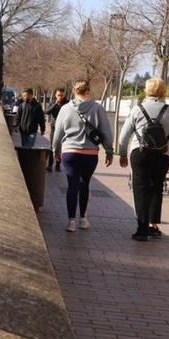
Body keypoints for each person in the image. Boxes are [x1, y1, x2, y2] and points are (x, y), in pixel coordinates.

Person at [118, 77, 169, 241]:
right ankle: (153, 225)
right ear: (163, 91)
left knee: (140, 189)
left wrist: (122, 154)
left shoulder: (137, 109)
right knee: (156, 188)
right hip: (162, 155)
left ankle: (141, 228)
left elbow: (124, 135)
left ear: (147, 90)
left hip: (140, 153)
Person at [52, 81, 114, 232]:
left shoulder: (66, 108)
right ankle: (83, 219)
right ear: (88, 91)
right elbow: (106, 130)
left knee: (72, 185)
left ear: (74, 91)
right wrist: (109, 150)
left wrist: (56, 150)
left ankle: (71, 221)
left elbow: (58, 132)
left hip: (70, 152)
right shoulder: (97, 108)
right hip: (90, 153)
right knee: (85, 184)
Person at [44, 88, 68, 172]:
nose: (60, 97)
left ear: (64, 95)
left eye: (62, 95)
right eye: (58, 95)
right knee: (52, 146)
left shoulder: (67, 103)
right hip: (54, 127)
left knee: (61, 147)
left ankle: (58, 164)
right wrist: (55, 105)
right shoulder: (52, 102)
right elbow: (46, 111)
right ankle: (50, 165)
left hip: (64, 128)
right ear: (55, 95)